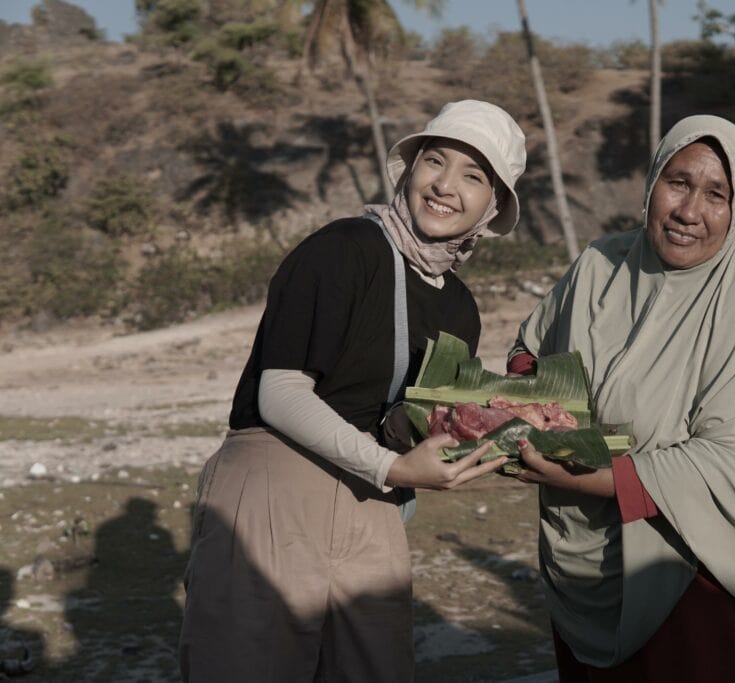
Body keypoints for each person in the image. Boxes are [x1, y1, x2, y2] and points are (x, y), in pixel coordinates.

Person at [179, 100, 527, 682]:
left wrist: (494, 436)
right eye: (434, 162)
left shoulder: (460, 308)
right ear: (408, 170)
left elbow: (408, 424)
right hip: (274, 487)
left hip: (374, 503)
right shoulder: (342, 250)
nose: (444, 186)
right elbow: (281, 394)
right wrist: (394, 468)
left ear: (493, 205)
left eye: (473, 176)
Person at [506, 115, 735, 681]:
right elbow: (530, 350)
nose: (689, 211)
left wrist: (584, 477)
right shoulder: (598, 266)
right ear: (652, 181)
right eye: (678, 182)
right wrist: (528, 400)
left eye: (716, 194)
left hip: (703, 574)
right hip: (590, 554)